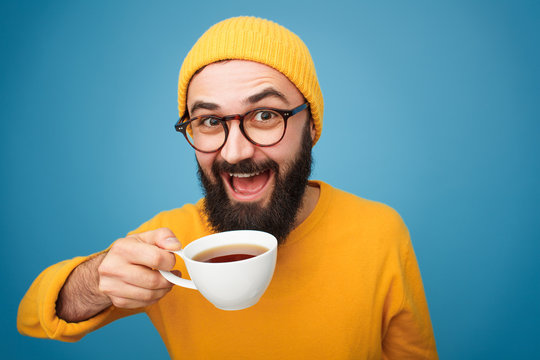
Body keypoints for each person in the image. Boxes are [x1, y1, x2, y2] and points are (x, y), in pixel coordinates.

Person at [17, 16, 438, 359]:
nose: (234, 152)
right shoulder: (171, 245)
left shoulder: (378, 231)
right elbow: (31, 317)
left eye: (265, 116)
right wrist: (93, 281)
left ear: (311, 126)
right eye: (210, 121)